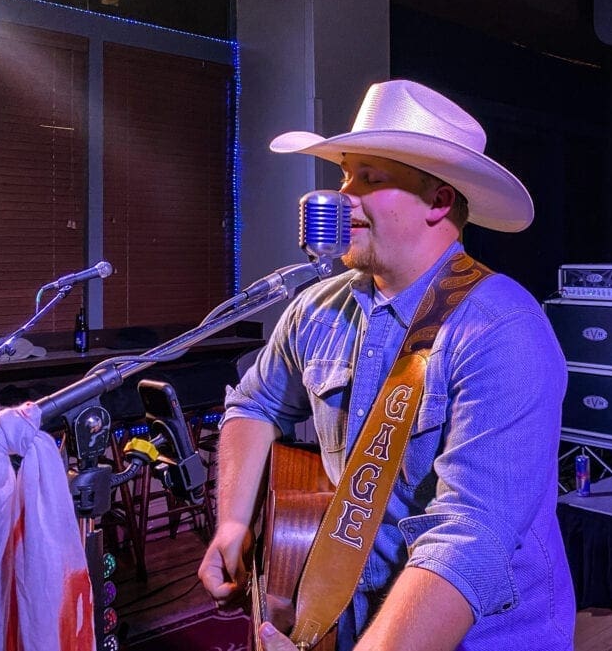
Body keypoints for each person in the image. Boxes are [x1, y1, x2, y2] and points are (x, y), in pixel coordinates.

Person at [198, 79, 575, 651]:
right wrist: (233, 521)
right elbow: (254, 403)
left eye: (371, 178)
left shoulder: (503, 330)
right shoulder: (316, 308)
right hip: (341, 619)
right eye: (346, 175)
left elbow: (467, 540)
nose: (343, 193)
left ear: (440, 201)